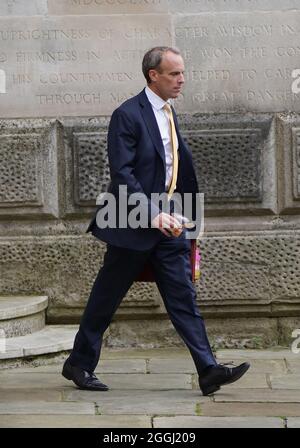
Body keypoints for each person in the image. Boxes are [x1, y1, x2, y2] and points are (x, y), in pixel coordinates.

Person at [62, 46, 250, 396]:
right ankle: (79, 363)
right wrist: (152, 213)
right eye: (174, 74)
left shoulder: (168, 111)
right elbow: (123, 174)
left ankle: (208, 369)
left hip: (168, 224)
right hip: (131, 221)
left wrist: (181, 213)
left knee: (183, 297)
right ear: (154, 75)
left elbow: (169, 169)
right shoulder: (127, 114)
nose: (182, 80)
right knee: (106, 298)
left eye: (182, 72)